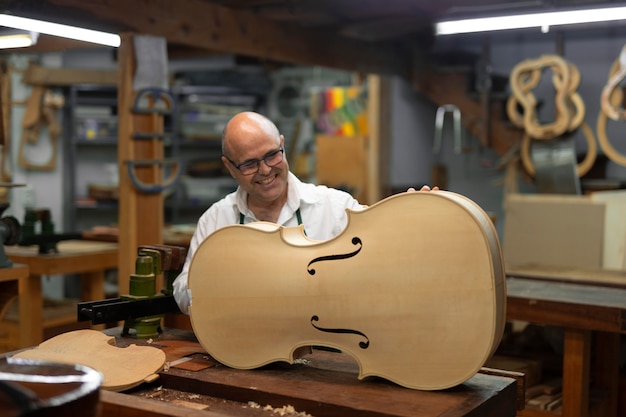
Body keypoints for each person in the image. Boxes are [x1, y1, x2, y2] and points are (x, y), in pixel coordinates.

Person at [172, 111, 437, 314]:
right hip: (243, 352)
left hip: (323, 353)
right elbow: (183, 294)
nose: (265, 170)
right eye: (250, 163)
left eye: (272, 155)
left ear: (283, 145)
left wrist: (409, 222)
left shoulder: (334, 207)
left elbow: (384, 247)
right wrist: (226, 281)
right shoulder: (216, 219)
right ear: (229, 167)